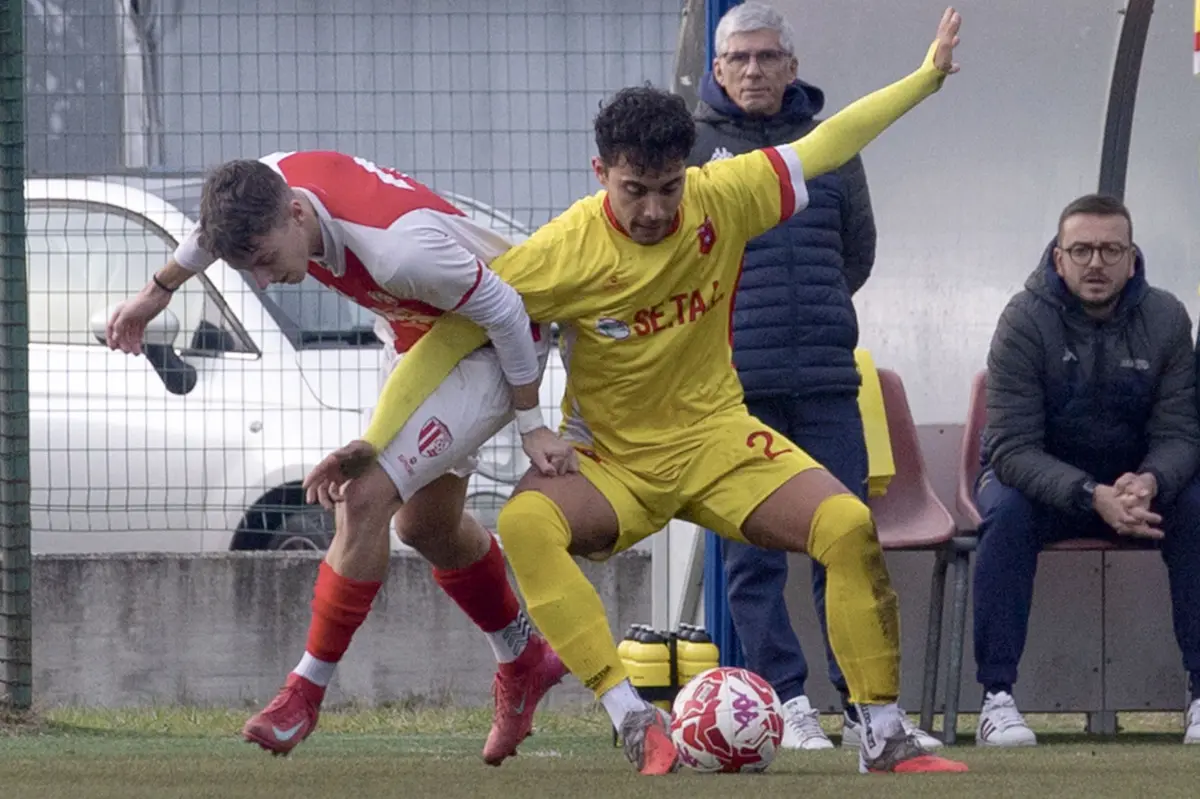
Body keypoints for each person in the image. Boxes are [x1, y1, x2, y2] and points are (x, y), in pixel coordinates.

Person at [309, 8, 970, 776]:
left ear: (688, 168)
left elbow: (829, 143)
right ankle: (631, 715)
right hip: (612, 462)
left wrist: (924, 79)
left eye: (667, 187)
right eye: (634, 191)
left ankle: (882, 733)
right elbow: (448, 339)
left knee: (847, 523)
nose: (654, 209)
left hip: (717, 440)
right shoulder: (561, 252)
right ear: (601, 174)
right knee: (525, 523)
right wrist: (375, 441)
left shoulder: (725, 194)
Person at [103, 150, 578, 762]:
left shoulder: (399, 252)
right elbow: (209, 235)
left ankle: (303, 695)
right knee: (426, 527)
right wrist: (157, 292)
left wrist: (531, 425)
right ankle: (525, 658)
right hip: (419, 340)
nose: (264, 280)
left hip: (496, 344)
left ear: (296, 214)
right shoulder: (267, 186)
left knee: (364, 496)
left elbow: (508, 310)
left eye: (266, 260)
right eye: (249, 268)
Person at [687, 1, 938, 752]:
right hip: (735, 388)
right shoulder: (692, 149)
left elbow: (856, 253)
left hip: (828, 379)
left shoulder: (832, 146)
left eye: (768, 57)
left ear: (792, 67)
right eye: (739, 59)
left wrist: (813, 314)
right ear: (717, 69)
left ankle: (864, 706)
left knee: (848, 540)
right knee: (752, 555)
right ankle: (784, 701)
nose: (754, 71)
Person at [973, 193, 1200, 746]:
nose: (1095, 263)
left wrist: (1150, 481)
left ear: (1132, 257)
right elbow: (1010, 447)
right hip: (1043, 488)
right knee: (1004, 515)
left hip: (1137, 492)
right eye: (1081, 250)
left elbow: (1180, 433)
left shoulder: (1168, 317)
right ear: (1058, 257)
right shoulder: (1023, 319)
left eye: (1110, 250)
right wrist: (1089, 493)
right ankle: (996, 699)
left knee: (1196, 507)